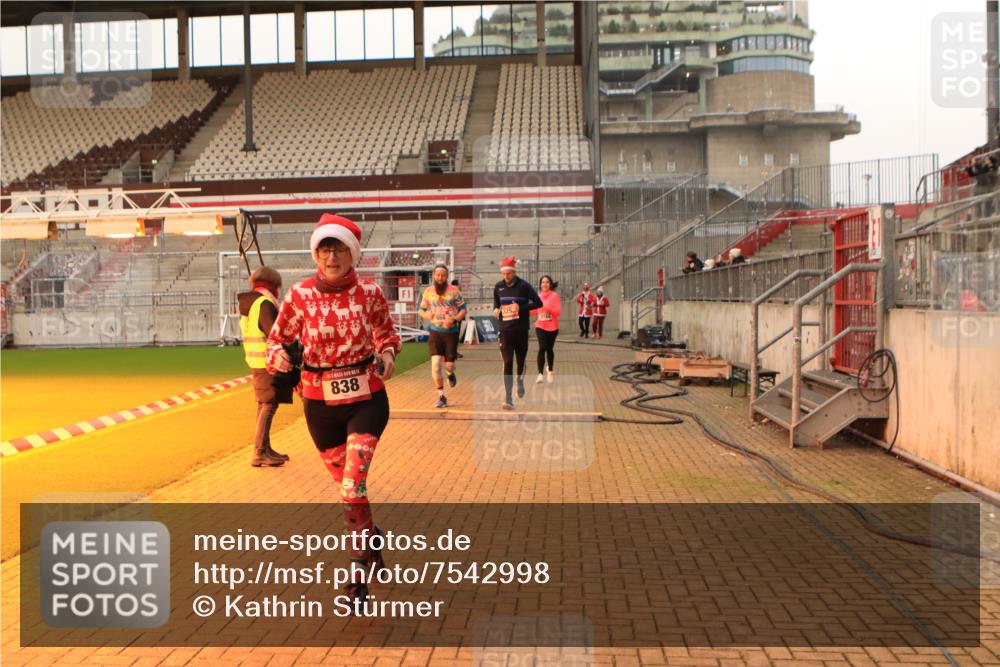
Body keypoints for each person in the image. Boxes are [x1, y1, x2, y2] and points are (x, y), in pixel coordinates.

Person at [266, 213, 401, 605]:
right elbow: (277, 340)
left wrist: (388, 355)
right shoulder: (298, 295)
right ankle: (371, 535)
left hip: (366, 399)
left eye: (339, 249)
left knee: (350, 487)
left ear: (352, 253)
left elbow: (387, 333)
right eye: (325, 249)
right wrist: (278, 358)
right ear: (316, 255)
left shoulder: (371, 293)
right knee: (351, 493)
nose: (332, 256)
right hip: (320, 404)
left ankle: (358, 572)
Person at [238, 265, 288, 468]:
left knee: (264, 405)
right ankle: (260, 452)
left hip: (255, 361)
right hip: (267, 363)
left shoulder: (249, 305)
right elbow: (275, 334)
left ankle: (265, 448)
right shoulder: (265, 304)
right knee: (269, 405)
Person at [492, 256, 542, 410]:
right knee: (507, 362)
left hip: (520, 330)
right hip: (505, 330)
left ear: (514, 272)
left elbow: (538, 303)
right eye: (504, 273)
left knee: (520, 361)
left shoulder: (524, 286)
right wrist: (495, 309)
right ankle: (508, 398)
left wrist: (521, 308)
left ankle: (520, 379)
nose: (506, 276)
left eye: (509, 273)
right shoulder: (498, 286)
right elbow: (496, 303)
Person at [418, 264, 466, 408]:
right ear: (434, 275)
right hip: (435, 332)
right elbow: (421, 310)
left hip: (451, 333)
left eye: (443, 275)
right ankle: (441, 396)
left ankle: (450, 374)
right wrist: (428, 315)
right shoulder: (428, 291)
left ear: (447, 276)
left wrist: (454, 320)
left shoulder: (454, 291)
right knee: (435, 366)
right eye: (438, 275)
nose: (440, 278)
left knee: (449, 366)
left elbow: (463, 309)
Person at [531, 275, 561, 384]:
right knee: (542, 347)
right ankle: (540, 374)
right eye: (543, 282)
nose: (545, 284)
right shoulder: (537, 297)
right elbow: (533, 312)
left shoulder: (555, 296)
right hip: (540, 326)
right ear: (540, 284)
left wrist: (546, 307)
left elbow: (557, 312)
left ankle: (550, 370)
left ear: (550, 284)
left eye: (547, 282)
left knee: (549, 349)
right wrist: (526, 306)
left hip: (553, 327)